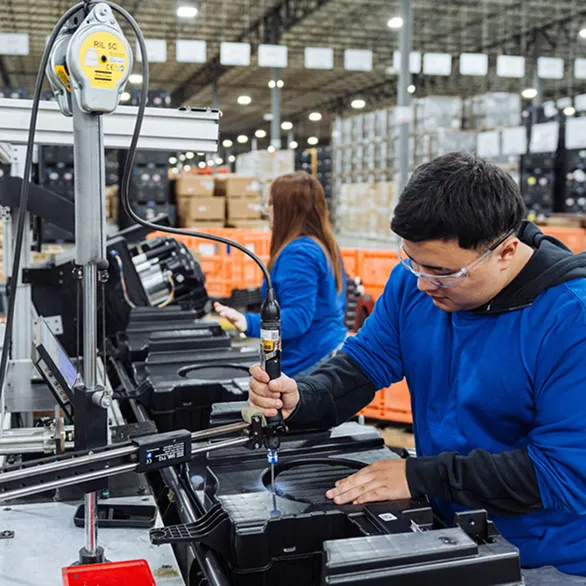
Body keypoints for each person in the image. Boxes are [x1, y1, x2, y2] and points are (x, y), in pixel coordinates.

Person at [247, 152, 586, 575]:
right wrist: (304, 395)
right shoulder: (416, 282)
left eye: (442, 273)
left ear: (506, 252)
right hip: (446, 528)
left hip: (545, 558)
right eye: (412, 262)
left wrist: (420, 476)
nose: (423, 283)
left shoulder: (571, 319)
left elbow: (564, 474)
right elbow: (366, 361)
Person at [215, 171, 347, 378]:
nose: (267, 211)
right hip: (325, 347)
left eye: (271, 203)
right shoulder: (322, 244)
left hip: (307, 360)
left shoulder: (298, 254)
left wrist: (247, 322)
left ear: (286, 210)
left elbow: (298, 318)